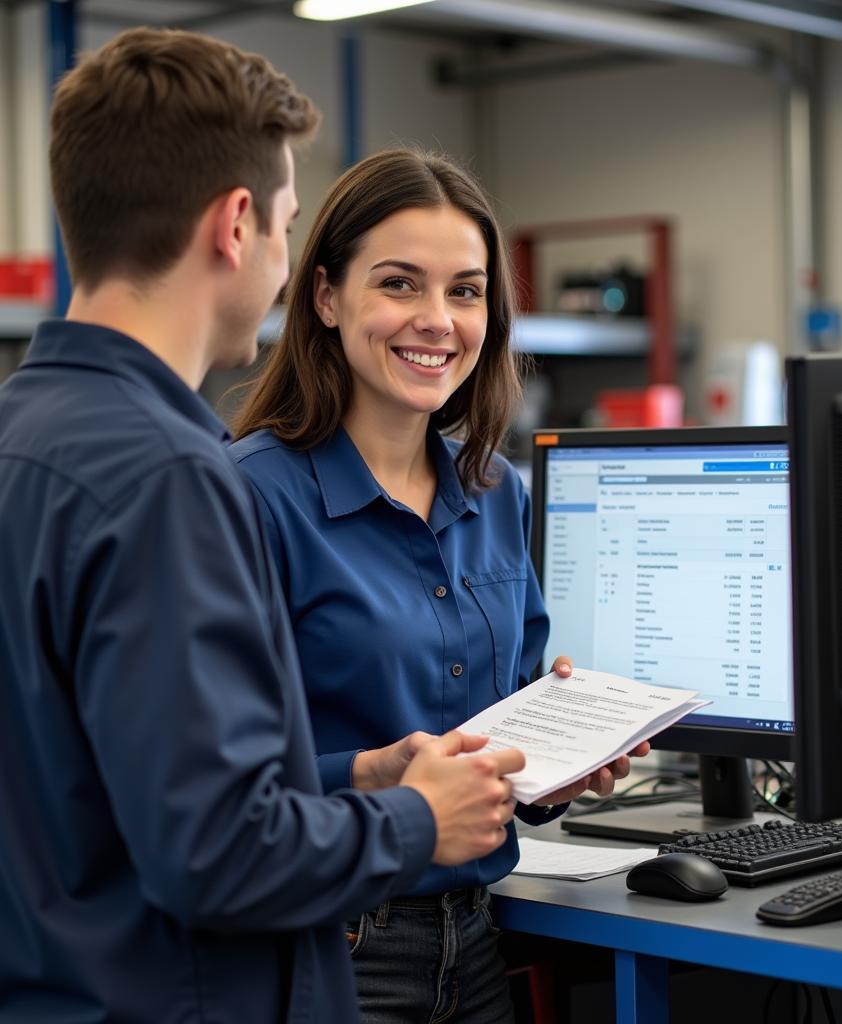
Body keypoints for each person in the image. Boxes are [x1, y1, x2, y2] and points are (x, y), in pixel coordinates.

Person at [0, 31, 529, 1024]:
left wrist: (366, 773)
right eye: (289, 225)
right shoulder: (170, 476)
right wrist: (414, 819)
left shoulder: (26, 431)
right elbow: (217, 850)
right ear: (236, 224)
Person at [230, 148, 649, 1023]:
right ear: (325, 297)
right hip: (326, 948)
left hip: (478, 944)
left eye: (465, 290)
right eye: (399, 284)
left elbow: (501, 730)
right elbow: (214, 792)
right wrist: (380, 782)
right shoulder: (247, 498)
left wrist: (554, 767)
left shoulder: (497, 492)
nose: (438, 320)